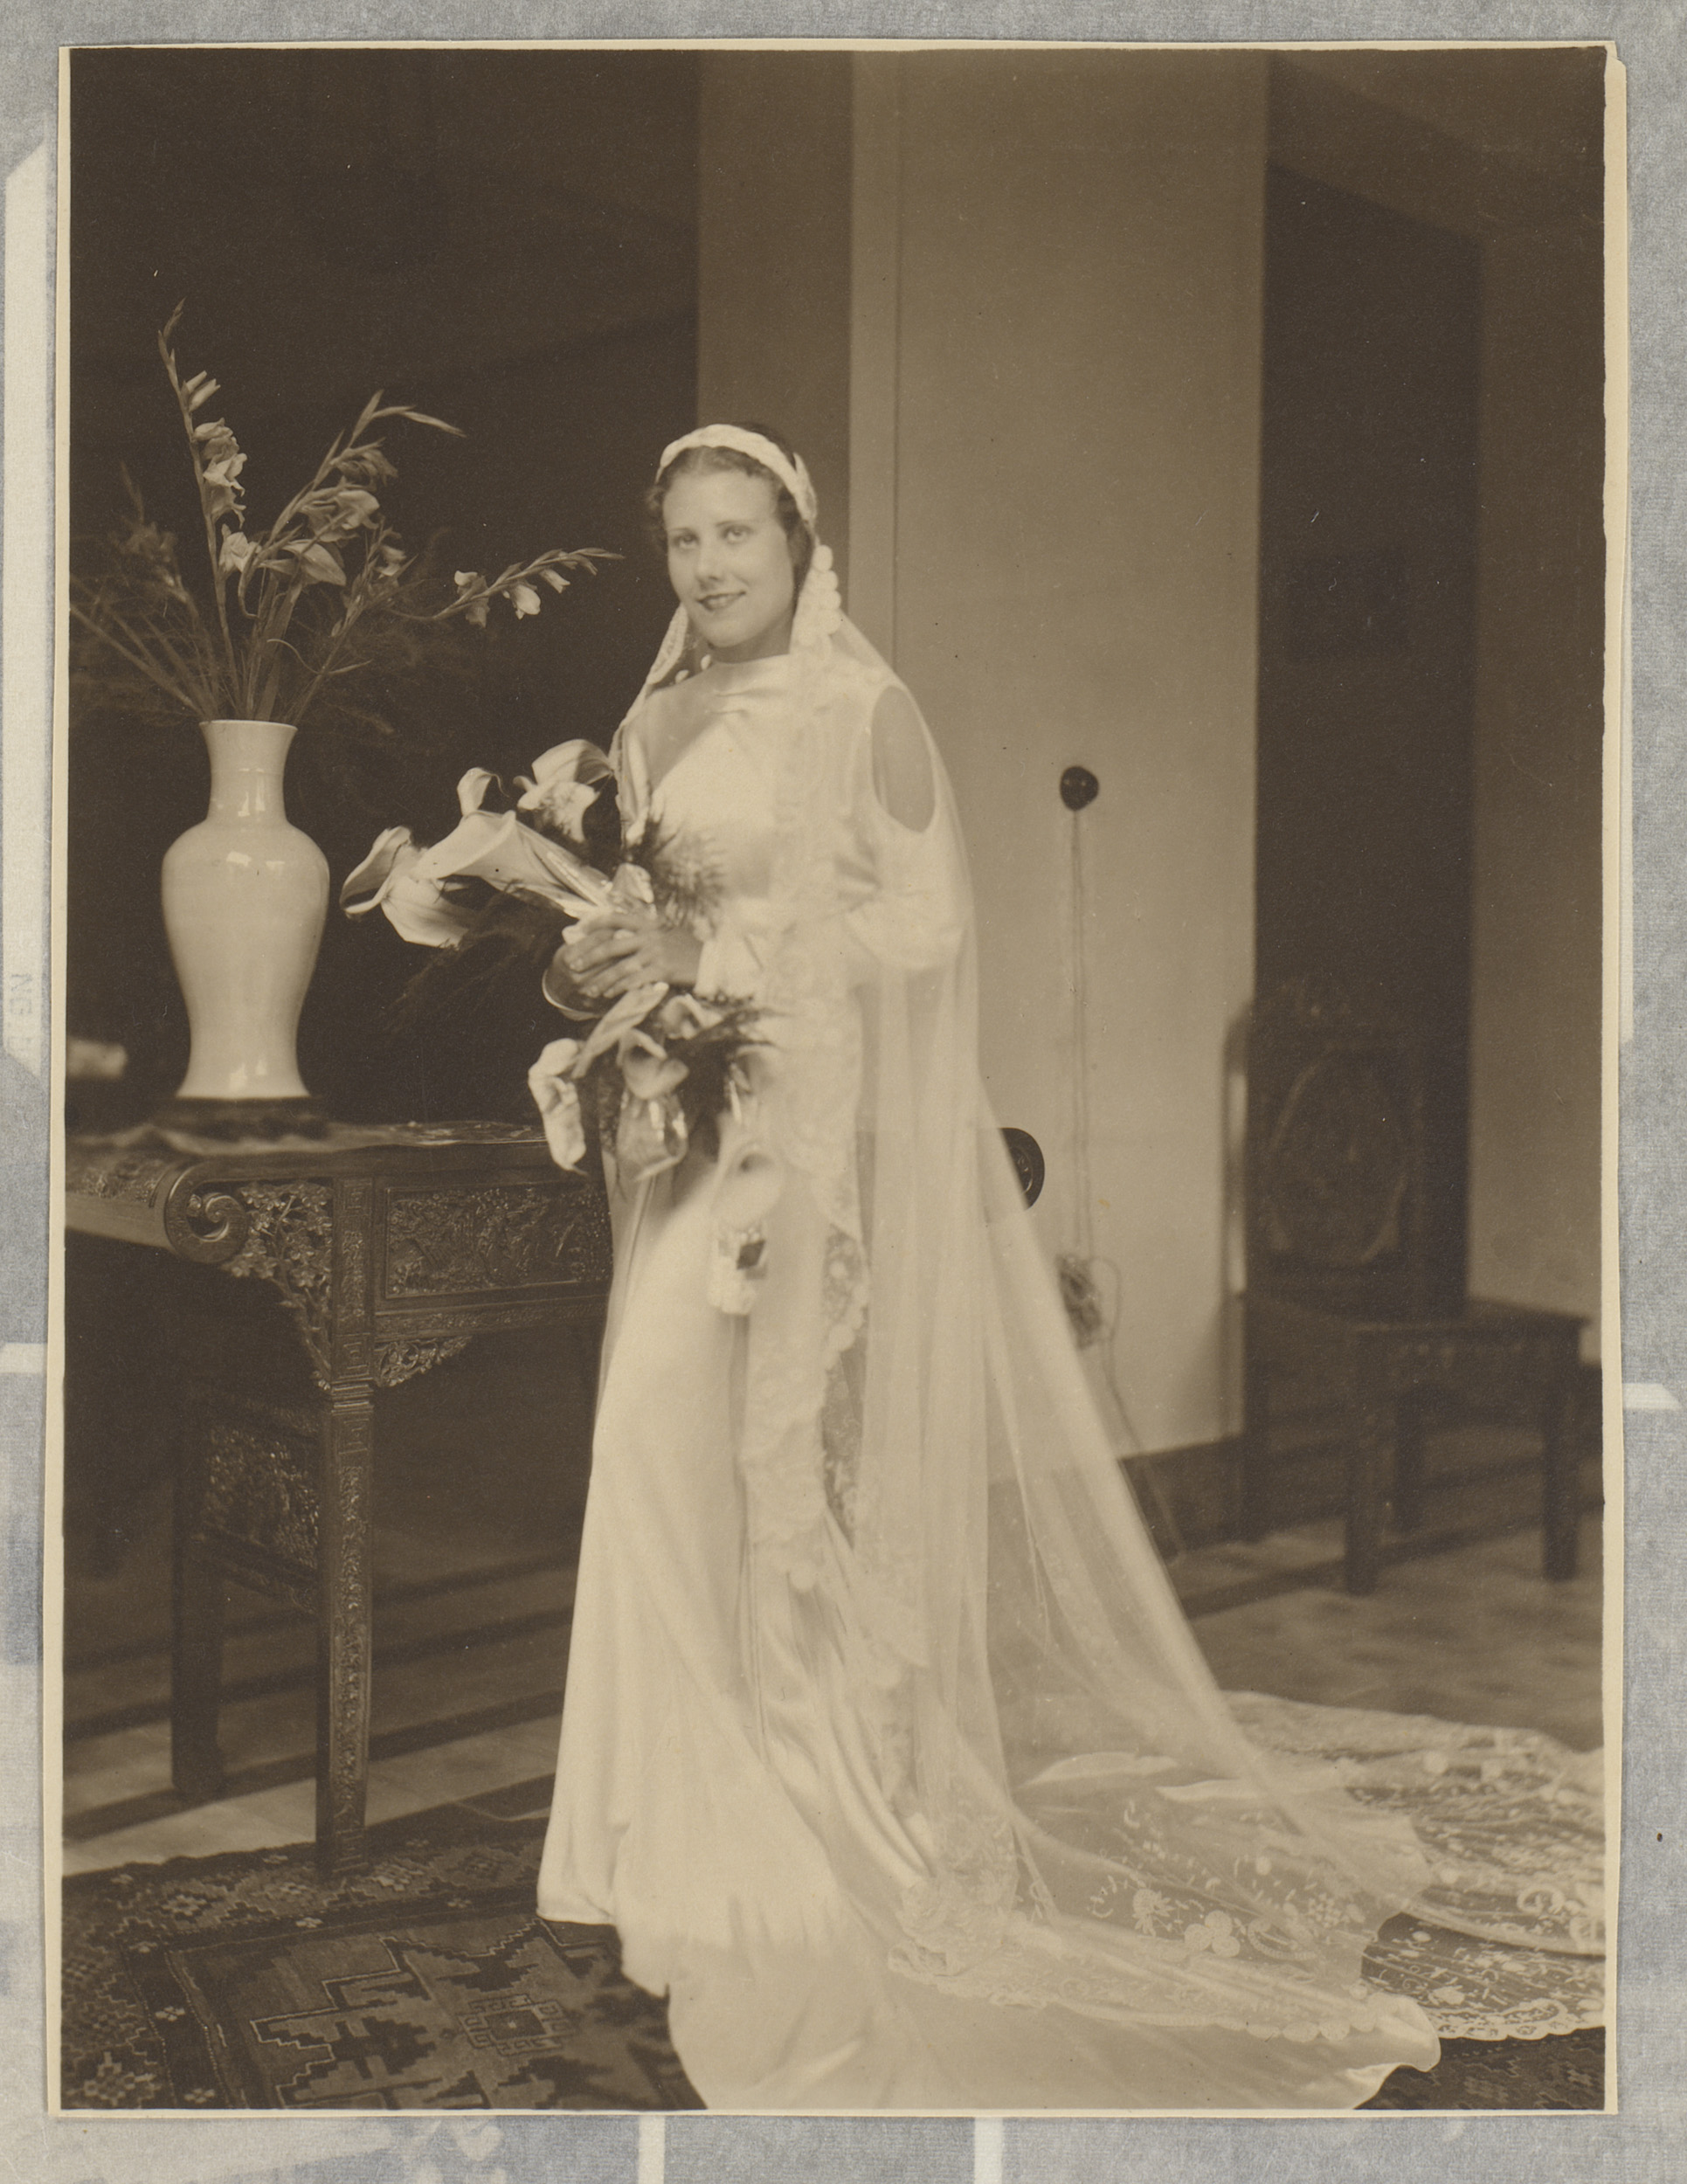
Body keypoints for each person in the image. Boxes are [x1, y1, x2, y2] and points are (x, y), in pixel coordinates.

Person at [532, 424, 1603, 2111]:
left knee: (772, 1482)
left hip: (811, 1141)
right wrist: (604, 963)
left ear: (800, 544)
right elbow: (631, 918)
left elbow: (926, 927)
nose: (712, 565)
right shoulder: (650, 724)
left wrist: (713, 949)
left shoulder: (863, 711)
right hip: (691, 1139)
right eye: (685, 539)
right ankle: (660, 1827)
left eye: (739, 532)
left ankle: (791, 1809)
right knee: (651, 1447)